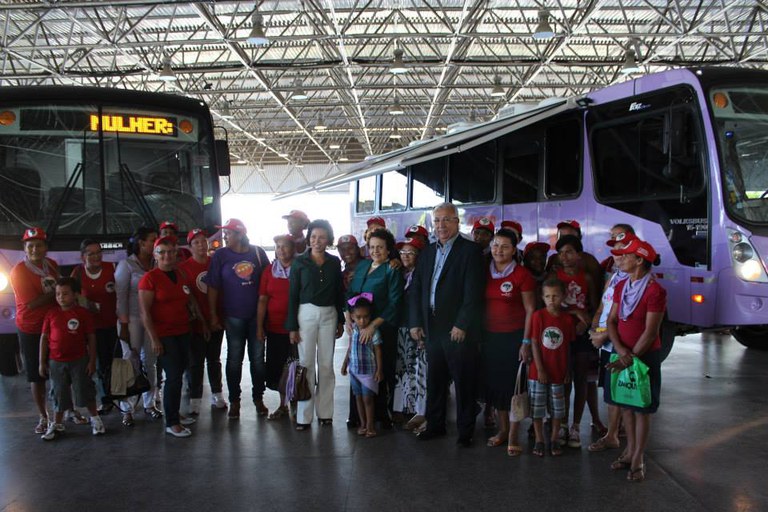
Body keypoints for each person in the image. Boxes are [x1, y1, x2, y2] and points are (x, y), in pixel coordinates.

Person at [409, 202, 485, 447]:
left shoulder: (470, 251)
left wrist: (462, 324)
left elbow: (473, 293)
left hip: (457, 330)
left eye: (446, 220)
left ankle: (465, 432)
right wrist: (416, 322)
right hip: (432, 326)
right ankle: (435, 425)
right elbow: (417, 289)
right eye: (437, 220)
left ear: (456, 222)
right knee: (435, 380)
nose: (440, 225)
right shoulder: (428, 252)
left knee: (463, 381)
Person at [606, 238, 666, 482]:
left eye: (624, 255)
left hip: (643, 358)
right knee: (626, 408)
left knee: (642, 409)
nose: (618, 259)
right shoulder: (622, 286)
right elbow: (611, 321)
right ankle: (629, 450)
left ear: (639, 259)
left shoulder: (655, 291)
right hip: (623, 355)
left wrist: (629, 358)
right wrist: (621, 351)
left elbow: (651, 332)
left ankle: (639, 457)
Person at [139, 236, 206, 437]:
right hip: (164, 335)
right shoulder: (149, 279)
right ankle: (172, 422)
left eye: (171, 252)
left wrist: (200, 320)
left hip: (183, 332)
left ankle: (174, 412)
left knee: (180, 373)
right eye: (162, 252)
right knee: (174, 377)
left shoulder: (180, 274)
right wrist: (154, 339)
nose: (167, 256)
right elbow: (145, 312)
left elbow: (189, 299)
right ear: (155, 255)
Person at [206, 218, 269, 419]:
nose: (225, 237)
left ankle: (258, 399)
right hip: (233, 317)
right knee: (234, 360)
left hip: (256, 319)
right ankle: (235, 401)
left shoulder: (258, 253)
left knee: (258, 360)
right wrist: (214, 315)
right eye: (225, 233)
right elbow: (213, 287)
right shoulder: (220, 256)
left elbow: (268, 284)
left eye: (229, 233)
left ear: (240, 234)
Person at [286, 219, 345, 430]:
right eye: (313, 237)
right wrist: (292, 326)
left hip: (329, 313)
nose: (317, 241)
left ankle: (325, 413)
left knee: (327, 365)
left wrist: (341, 319)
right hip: (306, 314)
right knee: (306, 364)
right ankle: (304, 416)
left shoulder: (334, 262)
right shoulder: (299, 262)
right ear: (308, 238)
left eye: (321, 237)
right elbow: (292, 295)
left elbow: (339, 292)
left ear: (328, 239)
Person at [482, 228, 535, 453]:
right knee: (496, 387)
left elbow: (531, 310)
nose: (498, 250)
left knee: (514, 388)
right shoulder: (484, 271)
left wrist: (526, 342)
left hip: (514, 338)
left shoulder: (522, 274)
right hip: (490, 338)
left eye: (504, 246)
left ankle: (513, 434)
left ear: (514, 250)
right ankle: (503, 430)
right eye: (495, 245)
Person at [346, 228, 404, 427]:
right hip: (359, 326)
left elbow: (395, 303)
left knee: (381, 371)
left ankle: (380, 417)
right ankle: (357, 417)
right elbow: (351, 294)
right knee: (357, 369)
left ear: (389, 250)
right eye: (372, 247)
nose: (375, 251)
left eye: (380, 247)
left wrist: (372, 326)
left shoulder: (392, 269)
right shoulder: (363, 266)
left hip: (382, 328)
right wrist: (349, 319)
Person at [551, 234, 604, 448]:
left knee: (581, 379)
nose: (565, 257)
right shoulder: (554, 277)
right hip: (562, 332)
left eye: (569, 252)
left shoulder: (587, 278)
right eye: (561, 253)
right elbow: (551, 305)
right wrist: (574, 312)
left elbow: (593, 306)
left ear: (579, 255)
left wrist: (587, 321)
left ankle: (575, 425)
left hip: (581, 334)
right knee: (563, 378)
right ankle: (562, 423)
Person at [588, 226, 636, 452]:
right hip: (606, 343)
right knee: (610, 392)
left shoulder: (635, 279)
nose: (618, 255)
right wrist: (594, 328)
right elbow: (602, 306)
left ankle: (622, 441)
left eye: (623, 250)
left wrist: (603, 335)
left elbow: (627, 317)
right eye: (615, 250)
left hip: (620, 343)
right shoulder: (615, 275)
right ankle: (613, 434)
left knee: (622, 393)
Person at [38, 278, 105, 440]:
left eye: (65, 294)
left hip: (79, 360)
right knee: (59, 392)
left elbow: (91, 338)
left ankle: (95, 419)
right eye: (58, 294)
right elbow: (44, 338)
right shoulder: (51, 314)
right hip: (56, 362)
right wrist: (42, 362)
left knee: (85, 389)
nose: (61, 297)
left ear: (75, 295)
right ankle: (57, 423)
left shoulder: (83, 314)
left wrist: (91, 360)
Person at [10, 227, 62, 434]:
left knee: (60, 370)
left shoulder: (53, 265)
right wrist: (60, 292)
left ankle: (63, 412)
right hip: (31, 328)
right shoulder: (19, 271)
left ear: (45, 247)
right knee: (36, 375)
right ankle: (43, 416)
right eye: (30, 246)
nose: (35, 249)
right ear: (25, 248)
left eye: (39, 245)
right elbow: (31, 304)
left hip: (54, 325)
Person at [115, 226, 161, 426]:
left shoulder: (156, 263)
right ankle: (126, 409)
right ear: (141, 243)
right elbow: (121, 297)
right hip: (131, 320)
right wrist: (124, 325)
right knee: (128, 363)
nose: (155, 242)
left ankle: (149, 404)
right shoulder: (126, 265)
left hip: (150, 320)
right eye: (152, 239)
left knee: (150, 362)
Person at [179, 228, 227, 413]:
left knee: (214, 359)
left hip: (216, 320)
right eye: (196, 242)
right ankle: (195, 398)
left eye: (203, 241)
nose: (201, 245)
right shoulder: (183, 268)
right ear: (190, 247)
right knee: (195, 362)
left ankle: (218, 395)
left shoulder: (216, 263)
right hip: (195, 324)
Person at [529, 278, 575, 457]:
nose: (551, 300)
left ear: (563, 296)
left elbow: (569, 346)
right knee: (537, 408)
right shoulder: (538, 316)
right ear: (542, 297)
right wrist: (540, 368)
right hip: (538, 372)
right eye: (547, 296)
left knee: (558, 409)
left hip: (559, 371)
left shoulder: (567, 319)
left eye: (555, 296)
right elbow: (534, 342)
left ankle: (555, 438)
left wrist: (568, 369)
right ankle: (540, 439)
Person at [70, 239, 118, 413]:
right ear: (83, 257)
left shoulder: (112, 268)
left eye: (98, 252)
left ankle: (119, 398)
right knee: (98, 364)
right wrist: (90, 305)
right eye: (91, 253)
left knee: (114, 362)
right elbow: (72, 296)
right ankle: (105, 399)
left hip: (113, 324)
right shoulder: (78, 273)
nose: (96, 256)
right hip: (91, 328)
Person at [256, 234, 296, 420]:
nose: (281, 250)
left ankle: (299, 408)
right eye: (278, 246)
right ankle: (283, 405)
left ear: (293, 249)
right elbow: (263, 299)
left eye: (285, 246)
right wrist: (259, 326)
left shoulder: (300, 269)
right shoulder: (269, 271)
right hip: (274, 328)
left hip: (296, 329)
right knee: (278, 368)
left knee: (296, 369)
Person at [392, 237, 428, 432]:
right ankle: (402, 407)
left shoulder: (423, 275)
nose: (405, 256)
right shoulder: (400, 273)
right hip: (401, 327)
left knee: (419, 369)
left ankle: (420, 411)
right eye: (402, 252)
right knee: (402, 369)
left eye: (410, 253)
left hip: (418, 329)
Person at [341, 295, 383, 438]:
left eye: (365, 317)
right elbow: (350, 347)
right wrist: (345, 363)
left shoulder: (374, 332)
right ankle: (363, 424)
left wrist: (379, 370)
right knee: (358, 397)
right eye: (358, 317)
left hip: (368, 372)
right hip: (354, 371)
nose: (362, 320)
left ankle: (371, 426)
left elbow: (378, 351)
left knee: (367, 399)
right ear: (352, 316)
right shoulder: (353, 330)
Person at [337, 233, 364, 428]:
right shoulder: (342, 273)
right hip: (354, 324)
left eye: (351, 248)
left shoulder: (367, 266)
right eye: (343, 249)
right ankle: (355, 414)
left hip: (368, 322)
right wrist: (345, 318)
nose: (347, 252)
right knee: (355, 369)